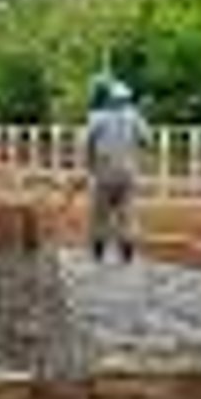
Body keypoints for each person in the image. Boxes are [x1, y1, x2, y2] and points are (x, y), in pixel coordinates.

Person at [83, 78, 150, 263]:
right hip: (128, 170)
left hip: (103, 170)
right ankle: (127, 250)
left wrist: (89, 165)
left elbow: (87, 143)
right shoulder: (135, 117)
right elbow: (147, 140)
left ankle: (98, 249)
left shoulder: (97, 117)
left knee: (99, 212)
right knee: (127, 211)